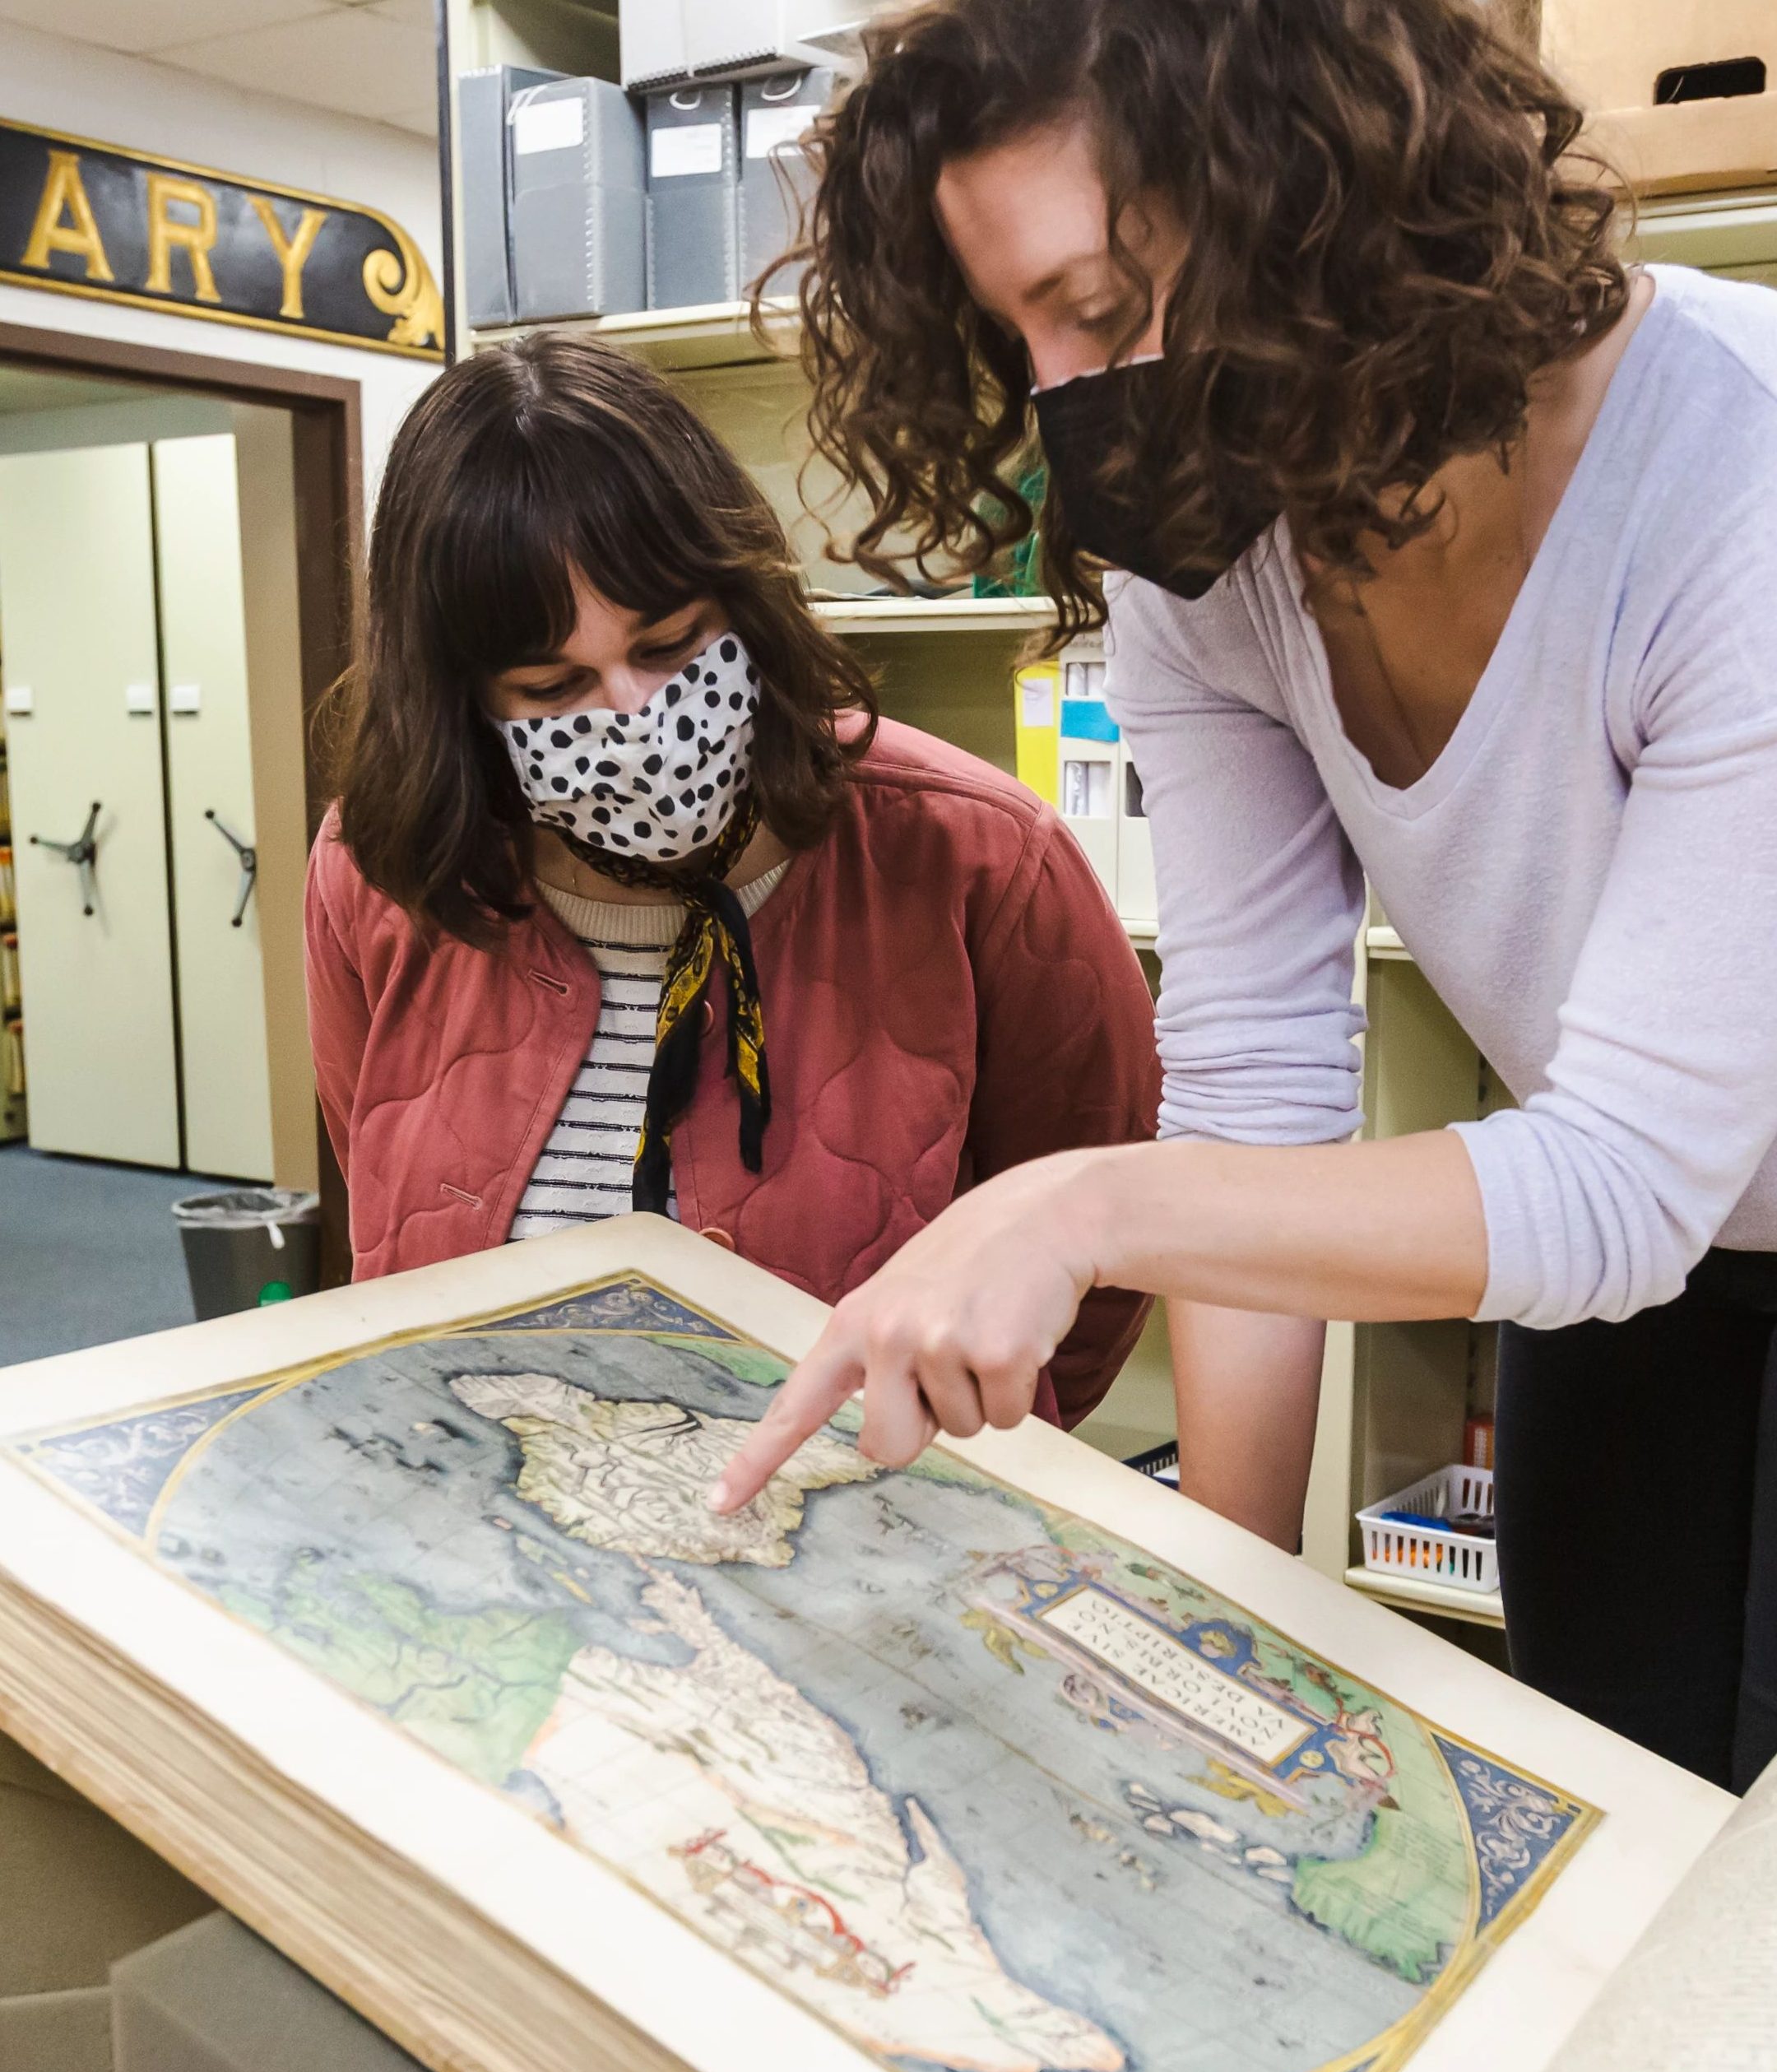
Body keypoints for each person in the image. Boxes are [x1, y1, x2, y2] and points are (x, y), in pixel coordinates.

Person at [712, 0, 1777, 1795]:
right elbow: (1255, 1094)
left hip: (1643, 1188)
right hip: (1641, 1281)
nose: (1064, 398)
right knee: (1625, 1793)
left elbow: (1622, 1172)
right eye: (1017, 332)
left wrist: (1076, 1208)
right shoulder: (1218, 543)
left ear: (1320, 194)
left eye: (1107, 311)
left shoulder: (1731, 473)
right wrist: (1223, 1629)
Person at [305, 332, 1159, 1433]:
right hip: (493, 1547)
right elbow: (381, 1194)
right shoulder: (379, 874)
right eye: (551, 682)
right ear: (459, 702)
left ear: (744, 602)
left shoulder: (982, 858)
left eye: (670, 644)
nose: (630, 711)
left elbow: (1095, 1261)